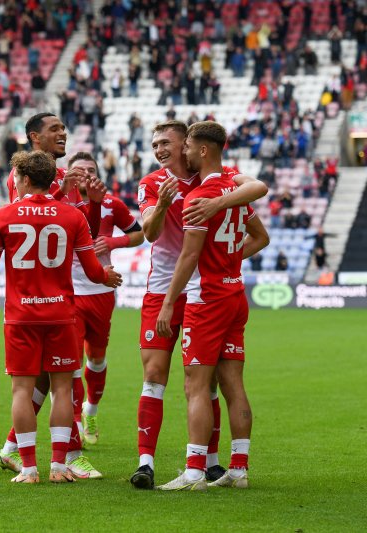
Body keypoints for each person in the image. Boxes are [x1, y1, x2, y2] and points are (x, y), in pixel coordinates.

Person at [130, 120, 268, 489]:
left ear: (191, 147)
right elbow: (150, 233)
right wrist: (161, 206)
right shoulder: (153, 183)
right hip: (188, 289)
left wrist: (215, 215)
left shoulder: (215, 186)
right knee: (159, 375)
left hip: (199, 293)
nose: (161, 150)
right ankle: (148, 462)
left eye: (170, 143)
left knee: (201, 383)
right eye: (155, 143)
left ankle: (202, 466)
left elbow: (193, 255)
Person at [0, 151, 122, 483]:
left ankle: (28, 467)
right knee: (62, 390)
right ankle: (58, 466)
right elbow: (92, 269)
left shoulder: (4, 216)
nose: (14, 182)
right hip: (61, 314)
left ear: (26, 179)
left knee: (21, 391)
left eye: (15, 178)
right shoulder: (72, 217)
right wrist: (105, 277)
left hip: (21, 316)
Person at [0, 113, 105, 479]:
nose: (63, 133)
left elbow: (81, 226)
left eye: (63, 127)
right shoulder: (23, 176)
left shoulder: (65, 177)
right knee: (62, 379)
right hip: (45, 295)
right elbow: (28, 210)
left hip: (65, 287)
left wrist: (92, 201)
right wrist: (63, 190)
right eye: (55, 129)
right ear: (34, 138)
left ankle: (15, 450)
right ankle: (68, 456)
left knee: (48, 379)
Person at [66, 153, 145, 446]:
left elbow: (140, 234)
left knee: (96, 359)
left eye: (91, 169)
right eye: (80, 169)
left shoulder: (112, 204)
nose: (86, 173)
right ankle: (72, 424)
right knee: (70, 362)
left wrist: (114, 241)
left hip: (101, 291)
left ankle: (91, 411)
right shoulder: (62, 203)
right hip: (70, 292)